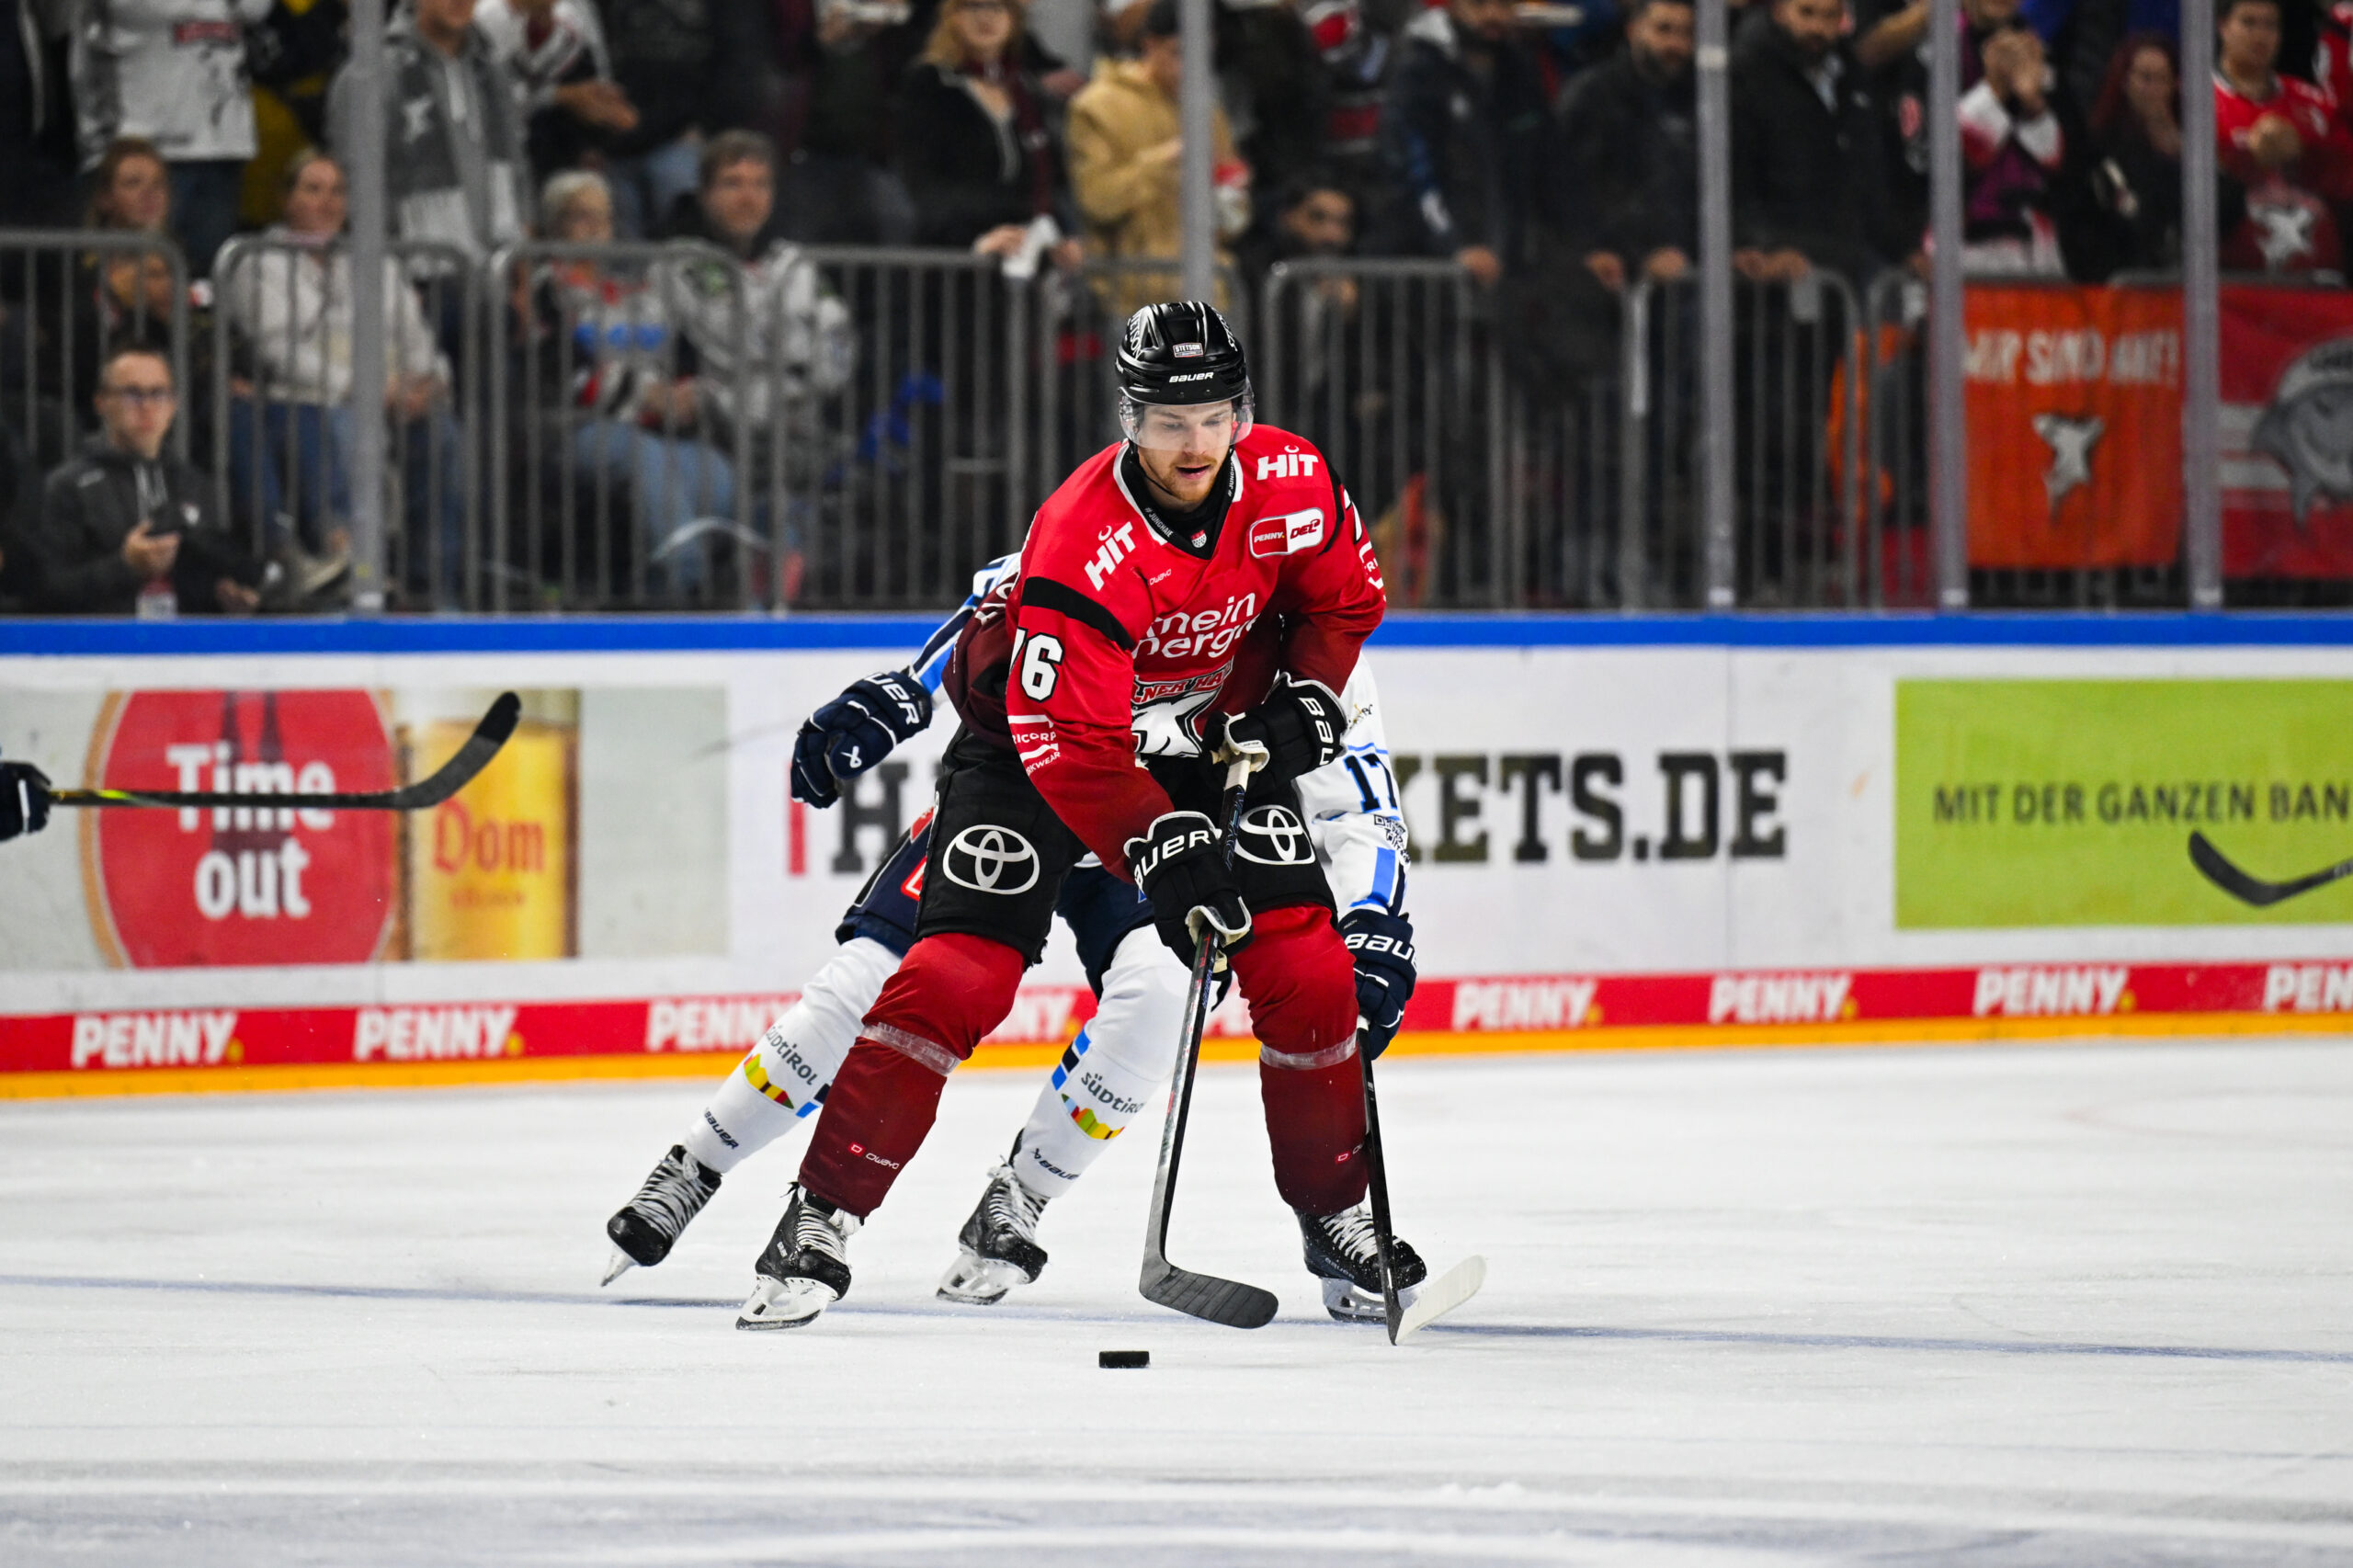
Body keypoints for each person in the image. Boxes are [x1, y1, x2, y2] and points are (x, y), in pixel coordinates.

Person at [732, 301, 1416, 1332]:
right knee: (957, 971)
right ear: (1130, 420)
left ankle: (1334, 1216)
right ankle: (820, 1213)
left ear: (1242, 412)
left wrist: (1305, 700)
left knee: (1309, 966)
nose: (1196, 443)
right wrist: (1160, 843)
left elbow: (1344, 604)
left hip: (1201, 744)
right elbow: (1074, 746)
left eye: (1215, 416)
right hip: (1036, 754)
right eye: (1170, 421)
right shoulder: (1080, 539)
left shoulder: (1294, 480)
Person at [601, 556, 1421, 1321]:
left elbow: (1360, 802)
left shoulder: (1313, 633)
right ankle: (699, 1163)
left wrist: (1373, 923)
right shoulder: (1131, 542)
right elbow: (1006, 592)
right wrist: (909, 691)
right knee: (872, 983)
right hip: (1027, 783)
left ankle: (1021, 1196)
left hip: (1158, 828)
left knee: (1165, 997)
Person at [220, 148, 465, 604]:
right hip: (306, 398)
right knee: (342, 426)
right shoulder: (257, 262)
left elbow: (417, 339)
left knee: (441, 436)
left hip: (392, 396)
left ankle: (431, 589)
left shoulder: (376, 262)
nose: (327, 202)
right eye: (313, 189)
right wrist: (368, 389)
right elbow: (278, 351)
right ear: (286, 199)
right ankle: (359, 577)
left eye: (337, 191)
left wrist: (428, 383)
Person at [529, 168, 734, 597]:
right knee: (645, 459)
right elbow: (565, 372)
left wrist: (687, 394)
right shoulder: (543, 291)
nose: (595, 228)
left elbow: (678, 361)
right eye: (580, 217)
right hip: (572, 426)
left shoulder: (633, 292)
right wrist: (646, 396)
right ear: (554, 227)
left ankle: (687, 592)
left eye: (603, 217)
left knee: (713, 472)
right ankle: (681, 583)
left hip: (648, 428)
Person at [27, 345, 265, 615]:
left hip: (181, 638)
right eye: (132, 394)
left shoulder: (193, 484)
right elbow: (47, 590)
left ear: (173, 405)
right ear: (102, 403)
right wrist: (125, 566)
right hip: (102, 638)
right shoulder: (68, 486)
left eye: (158, 393)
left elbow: (205, 581)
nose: (147, 406)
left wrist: (226, 600)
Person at [1066, 0, 1249, 313]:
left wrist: (1231, 196)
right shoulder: (1097, 106)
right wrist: (1161, 162)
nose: (1189, 67)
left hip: (1207, 294)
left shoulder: (1208, 113)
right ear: (1149, 45)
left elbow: (1233, 220)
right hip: (1129, 296)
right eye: (1178, 53)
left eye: (1201, 56)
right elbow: (1097, 200)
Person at [69, 0, 271, 275]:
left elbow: (255, 7)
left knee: (204, 284)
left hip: (221, 146)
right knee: (136, 275)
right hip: (142, 151)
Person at [325, 0, 531, 263]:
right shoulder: (372, 74)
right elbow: (356, 182)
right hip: (408, 266)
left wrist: (523, 256)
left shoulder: (494, 71)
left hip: (497, 267)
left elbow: (518, 169)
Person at [1729, 0, 1908, 283]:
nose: (1817, 28)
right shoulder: (1747, 74)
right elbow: (1737, 179)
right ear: (1780, 11)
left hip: (1855, 255)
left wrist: (1904, 246)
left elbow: (1878, 171)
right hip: (1786, 263)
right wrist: (1763, 245)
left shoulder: (1853, 76)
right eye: (1806, 12)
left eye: (1829, 16)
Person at [1374, 0, 1550, 289]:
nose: (1493, 14)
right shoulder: (1418, 69)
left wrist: (1590, 242)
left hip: (1508, 261)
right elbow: (1414, 170)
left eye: (1504, 5)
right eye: (1479, 3)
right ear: (1454, 5)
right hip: (1431, 265)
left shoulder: (1518, 69)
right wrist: (1454, 243)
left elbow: (1550, 160)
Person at [895, 0, 1081, 260]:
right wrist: (975, 242)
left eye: (998, 7)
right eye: (974, 6)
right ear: (953, 17)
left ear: (1013, 20)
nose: (986, 17)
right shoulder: (929, 84)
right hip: (952, 258)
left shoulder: (1025, 89)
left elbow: (1047, 179)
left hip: (1023, 252)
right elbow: (924, 184)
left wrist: (1061, 236)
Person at [1556, 0, 1698, 299]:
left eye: (1686, 33)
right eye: (1664, 29)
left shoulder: (1697, 99)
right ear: (1633, 30)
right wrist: (1631, 252)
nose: (1676, 44)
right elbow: (1571, 187)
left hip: (1680, 272)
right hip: (1606, 276)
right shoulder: (1593, 95)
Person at [2211, 0, 2353, 276]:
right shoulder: (2196, 99)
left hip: (2321, 278)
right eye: (2249, 22)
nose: (2261, 35)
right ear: (2223, 26)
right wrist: (2241, 156)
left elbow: (2345, 177)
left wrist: (2306, 151)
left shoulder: (2312, 102)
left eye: (2270, 25)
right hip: (2231, 278)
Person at [471, 0, 639, 186]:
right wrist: (565, 95)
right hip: (473, 134)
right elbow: (488, 93)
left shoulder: (569, 26)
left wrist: (581, 98)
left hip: (516, 144)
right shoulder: (485, 14)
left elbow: (528, 93)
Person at [1959, 21, 2073, 274]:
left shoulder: (2039, 49)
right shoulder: (1947, 46)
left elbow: (2055, 158)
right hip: (1965, 244)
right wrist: (1996, 89)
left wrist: (2031, 102)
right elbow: (1956, 154)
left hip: (2035, 247)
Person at [2085, 31, 2185, 272]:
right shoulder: (2102, 142)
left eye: (2163, 79)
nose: (2154, 89)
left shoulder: (2191, 141)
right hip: (2125, 266)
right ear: (2125, 81)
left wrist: (2176, 153)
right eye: (2146, 78)